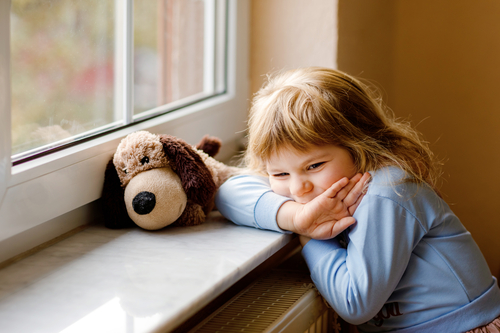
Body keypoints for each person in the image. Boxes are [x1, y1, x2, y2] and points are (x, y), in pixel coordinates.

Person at [215, 67, 500, 332]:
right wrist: (296, 218)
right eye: (278, 173)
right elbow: (228, 192)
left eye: (314, 166)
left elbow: (355, 303)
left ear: (360, 147)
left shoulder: (388, 191)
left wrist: (312, 237)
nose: (299, 189)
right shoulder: (307, 187)